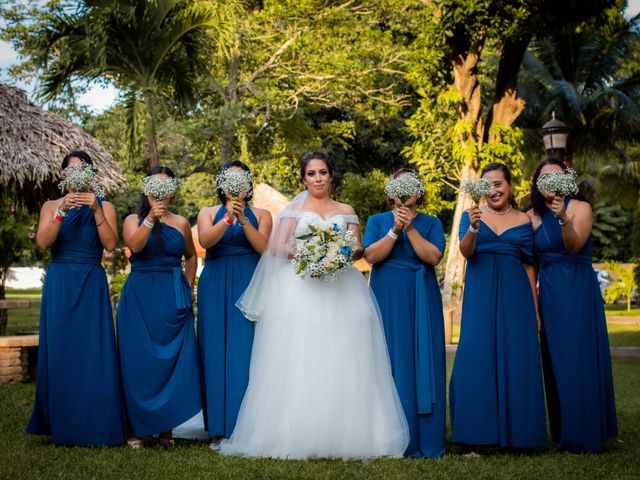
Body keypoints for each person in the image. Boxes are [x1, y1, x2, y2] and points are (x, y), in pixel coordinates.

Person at [217, 152, 409, 459]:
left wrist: (339, 253)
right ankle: (298, 434)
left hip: (342, 289)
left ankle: (349, 434)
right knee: (301, 357)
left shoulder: (346, 210)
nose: (317, 178)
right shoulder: (294, 211)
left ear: (331, 176)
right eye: (311, 174)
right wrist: (309, 253)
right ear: (303, 179)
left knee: (344, 355)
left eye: (322, 172)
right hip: (300, 289)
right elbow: (275, 247)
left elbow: (357, 249)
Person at [27, 150, 125, 446]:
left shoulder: (104, 205)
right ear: (63, 176)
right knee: (61, 349)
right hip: (60, 282)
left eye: (82, 169)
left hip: (90, 280)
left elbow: (110, 243)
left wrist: (95, 209)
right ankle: (63, 423)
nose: (76, 174)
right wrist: (61, 211)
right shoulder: (50, 205)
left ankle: (97, 421)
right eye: (71, 170)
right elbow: (43, 243)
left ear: (91, 174)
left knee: (94, 350)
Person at [450, 162, 546, 453]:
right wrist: (475, 228)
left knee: (517, 358)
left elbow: (530, 266)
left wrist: (535, 309)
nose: (493, 190)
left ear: (510, 186)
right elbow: (466, 252)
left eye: (498, 184)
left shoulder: (523, 220)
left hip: (516, 297)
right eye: (487, 185)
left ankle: (522, 437)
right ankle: (474, 437)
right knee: (476, 357)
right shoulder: (473, 216)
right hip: (481, 294)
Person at [528, 157, 617, 453]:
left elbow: (573, 245)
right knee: (555, 360)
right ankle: (564, 430)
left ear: (566, 179)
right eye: (544, 179)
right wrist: (534, 306)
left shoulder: (582, 208)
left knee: (579, 357)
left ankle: (586, 431)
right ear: (537, 185)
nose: (550, 183)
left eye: (555, 177)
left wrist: (562, 215)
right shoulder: (531, 215)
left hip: (578, 287)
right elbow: (530, 263)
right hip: (549, 291)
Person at [363, 169, 446, 458]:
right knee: (389, 359)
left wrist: (410, 228)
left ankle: (426, 439)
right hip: (387, 296)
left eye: (412, 184)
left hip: (421, 295)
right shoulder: (377, 221)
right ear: (389, 192)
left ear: (419, 192)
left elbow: (433, 257)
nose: (405, 190)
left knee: (424, 359)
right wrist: (395, 230)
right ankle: (390, 436)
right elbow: (371, 256)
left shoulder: (432, 222)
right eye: (399, 185)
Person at [117, 166, 202, 448]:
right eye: (156, 186)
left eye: (167, 186)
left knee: (172, 362)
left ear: (173, 190)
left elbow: (191, 256)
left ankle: (166, 428)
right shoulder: (132, 219)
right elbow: (135, 247)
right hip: (140, 296)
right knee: (138, 361)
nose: (161, 192)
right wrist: (151, 219)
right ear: (146, 190)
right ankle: (135, 429)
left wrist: (187, 285)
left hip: (171, 294)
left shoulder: (180, 222)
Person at [196, 161, 272, 446]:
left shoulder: (262, 214)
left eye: (242, 180)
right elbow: (205, 241)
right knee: (215, 351)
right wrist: (227, 219)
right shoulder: (207, 213)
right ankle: (217, 426)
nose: (237, 185)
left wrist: (242, 220)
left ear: (249, 185)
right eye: (231, 179)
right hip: (215, 283)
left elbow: (264, 248)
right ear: (222, 185)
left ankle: (246, 423)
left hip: (250, 283)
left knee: (246, 351)